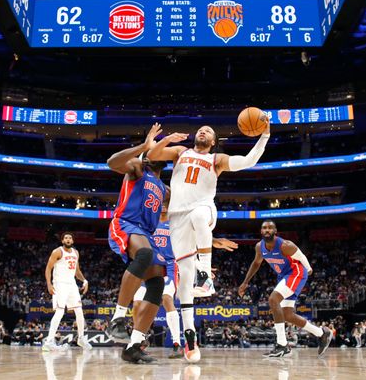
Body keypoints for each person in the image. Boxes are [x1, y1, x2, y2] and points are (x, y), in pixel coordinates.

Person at [148, 120, 271, 362]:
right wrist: (167, 139)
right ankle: (190, 338)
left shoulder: (217, 160)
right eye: (201, 129)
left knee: (199, 214)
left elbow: (248, 161)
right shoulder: (180, 152)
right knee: (183, 283)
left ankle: (204, 276)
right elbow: (152, 154)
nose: (203, 131)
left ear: (213, 141)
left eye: (209, 131)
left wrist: (264, 135)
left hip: (205, 210)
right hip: (177, 219)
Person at [104, 124, 171, 363]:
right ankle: (117, 319)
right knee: (144, 254)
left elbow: (183, 215)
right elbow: (112, 162)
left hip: (146, 233)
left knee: (156, 284)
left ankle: (133, 345)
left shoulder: (165, 189)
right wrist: (143, 146)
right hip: (125, 224)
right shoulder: (137, 168)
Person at [132, 208, 238, 358]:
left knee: (166, 298)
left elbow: (195, 238)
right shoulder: (150, 223)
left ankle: (177, 344)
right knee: (136, 303)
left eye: (166, 204)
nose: (163, 207)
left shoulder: (176, 223)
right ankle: (138, 340)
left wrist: (205, 260)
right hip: (152, 266)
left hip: (170, 266)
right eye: (161, 203)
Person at [238, 220, 332, 357]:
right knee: (287, 314)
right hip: (284, 276)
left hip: (296, 273)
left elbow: (301, 256)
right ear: (261, 231)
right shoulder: (259, 247)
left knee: (273, 299)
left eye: (270, 228)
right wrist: (245, 282)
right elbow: (256, 263)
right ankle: (322, 333)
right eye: (264, 228)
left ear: (275, 231)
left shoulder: (285, 245)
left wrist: (309, 268)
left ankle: (282, 345)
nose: (267, 230)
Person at [43, 231, 91, 351]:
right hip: (60, 285)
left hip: (72, 285)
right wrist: (49, 284)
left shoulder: (76, 253)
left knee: (79, 311)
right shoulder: (57, 251)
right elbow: (48, 268)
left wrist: (85, 281)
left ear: (73, 241)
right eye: (66, 238)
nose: (68, 239)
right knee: (59, 312)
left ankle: (80, 338)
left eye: (70, 238)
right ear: (62, 241)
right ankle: (49, 341)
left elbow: (77, 271)